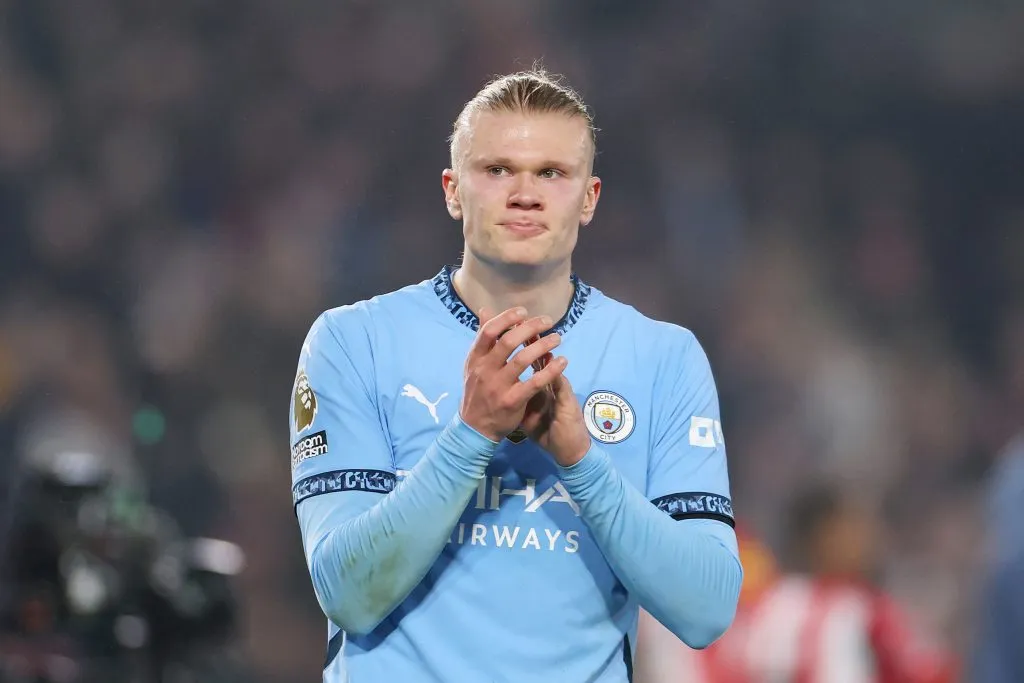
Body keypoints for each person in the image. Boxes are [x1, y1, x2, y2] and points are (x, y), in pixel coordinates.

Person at [289, 68, 743, 683]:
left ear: (590, 197)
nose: (525, 193)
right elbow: (347, 593)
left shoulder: (663, 358)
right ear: (453, 191)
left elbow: (707, 610)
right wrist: (472, 433)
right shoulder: (353, 342)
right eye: (497, 169)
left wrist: (581, 462)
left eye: (552, 173)